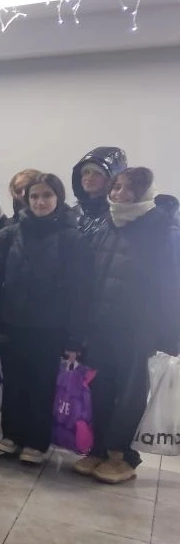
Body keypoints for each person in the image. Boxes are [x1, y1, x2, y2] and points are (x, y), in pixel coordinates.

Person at [0, 174, 92, 463]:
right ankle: (12, 435)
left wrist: (75, 337)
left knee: (42, 386)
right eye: (34, 196)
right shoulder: (10, 233)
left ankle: (36, 442)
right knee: (14, 383)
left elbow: (81, 291)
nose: (40, 202)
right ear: (26, 200)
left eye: (46, 196)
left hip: (50, 329)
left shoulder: (73, 238)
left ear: (58, 198)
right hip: (12, 323)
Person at [75, 167, 179, 483]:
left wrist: (170, 335)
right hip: (102, 325)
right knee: (101, 389)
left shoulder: (161, 229)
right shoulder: (108, 223)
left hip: (137, 329)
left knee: (130, 394)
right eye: (116, 187)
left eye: (128, 189)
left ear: (143, 192)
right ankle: (98, 449)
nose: (119, 194)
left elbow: (171, 286)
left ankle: (121, 456)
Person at [70, 146, 128, 239]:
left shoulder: (119, 218)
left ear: (111, 179)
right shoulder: (71, 214)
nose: (89, 178)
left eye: (98, 173)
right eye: (86, 172)